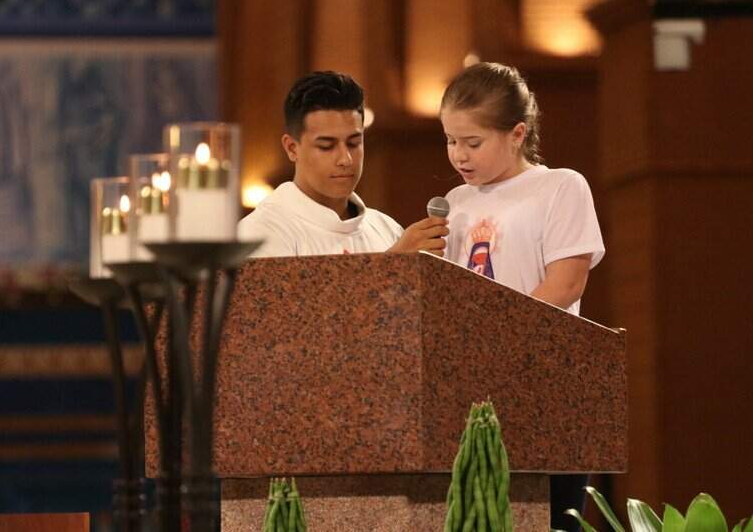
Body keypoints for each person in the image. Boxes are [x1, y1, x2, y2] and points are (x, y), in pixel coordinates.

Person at [439, 62, 605, 531]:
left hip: (544, 382)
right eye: (450, 140)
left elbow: (567, 283)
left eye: (473, 143)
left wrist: (500, 341)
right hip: (472, 389)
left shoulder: (559, 187)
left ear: (517, 133)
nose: (459, 155)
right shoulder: (456, 202)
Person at [238, 71, 448, 257]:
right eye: (326, 146)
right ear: (292, 148)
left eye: (354, 143)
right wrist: (396, 265)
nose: (345, 159)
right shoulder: (260, 232)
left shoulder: (385, 228)